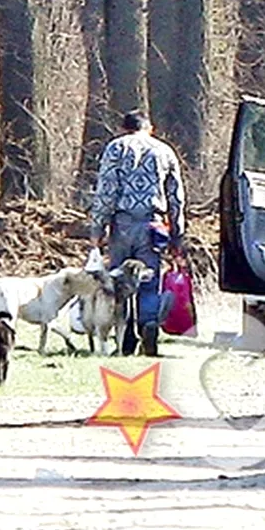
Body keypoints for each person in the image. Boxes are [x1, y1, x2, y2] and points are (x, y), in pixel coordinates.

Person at [90, 111, 186, 357]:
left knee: (119, 283)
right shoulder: (164, 151)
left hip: (121, 225)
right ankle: (149, 326)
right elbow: (176, 197)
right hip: (153, 226)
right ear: (149, 128)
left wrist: (97, 228)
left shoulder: (115, 148)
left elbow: (106, 191)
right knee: (148, 281)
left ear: (123, 127)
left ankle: (125, 339)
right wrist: (177, 233)